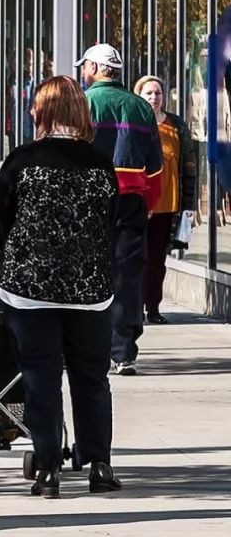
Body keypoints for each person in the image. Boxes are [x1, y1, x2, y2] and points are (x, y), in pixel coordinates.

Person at [0, 76, 120, 497]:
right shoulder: (100, 163)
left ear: (43, 112)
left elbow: (1, 221)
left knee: (40, 378)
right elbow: (110, 221)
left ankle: (48, 470)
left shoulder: (22, 160)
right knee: (92, 378)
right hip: (89, 291)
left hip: (30, 290)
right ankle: (98, 464)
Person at [79, 43, 162, 375]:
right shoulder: (141, 108)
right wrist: (148, 204)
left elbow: (71, 156)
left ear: (98, 69)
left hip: (91, 201)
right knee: (127, 276)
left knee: (89, 273)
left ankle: (90, 347)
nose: (83, 72)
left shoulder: (84, 104)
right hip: (131, 202)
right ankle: (123, 351)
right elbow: (155, 167)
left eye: (86, 67)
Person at [134, 75, 197, 324]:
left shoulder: (176, 126)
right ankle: (135, 307)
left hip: (167, 206)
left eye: (157, 93)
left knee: (157, 260)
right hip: (139, 205)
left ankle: (154, 307)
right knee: (137, 259)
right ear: (138, 95)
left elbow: (189, 167)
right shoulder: (134, 123)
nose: (154, 98)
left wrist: (188, 206)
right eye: (148, 93)